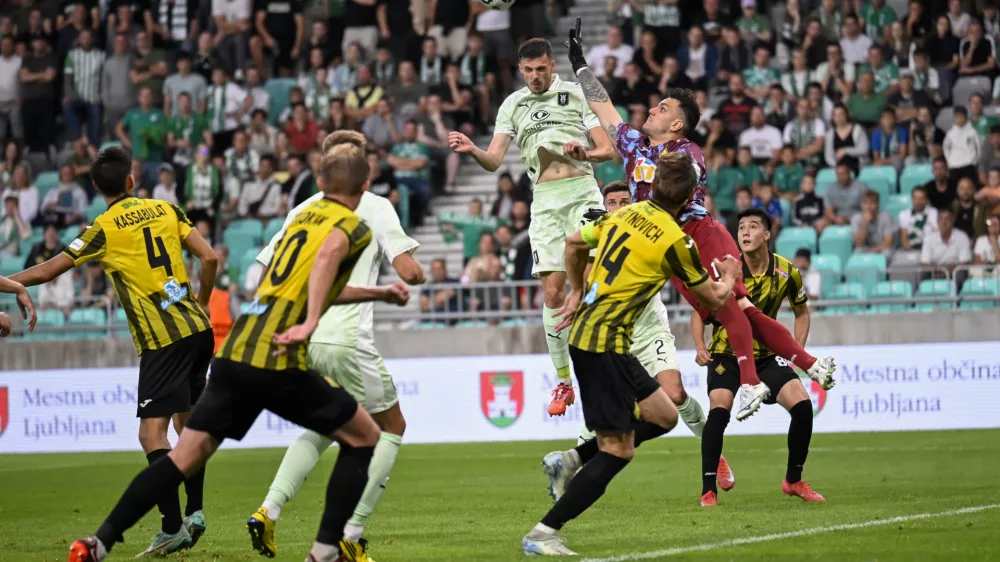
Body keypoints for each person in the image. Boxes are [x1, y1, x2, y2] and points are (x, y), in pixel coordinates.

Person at [66, 132, 410, 562]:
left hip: (235, 355)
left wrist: (377, 294)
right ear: (362, 188)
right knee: (364, 437)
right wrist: (307, 323)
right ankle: (325, 553)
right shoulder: (354, 225)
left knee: (181, 458)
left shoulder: (299, 217)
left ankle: (97, 543)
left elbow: (288, 283)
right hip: (277, 358)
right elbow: (325, 265)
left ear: (320, 181)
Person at [566, 18, 835, 421]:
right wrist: (581, 65)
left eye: (662, 108)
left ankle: (750, 383)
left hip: (694, 232)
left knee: (733, 303)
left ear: (675, 123)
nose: (652, 108)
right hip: (664, 247)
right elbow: (601, 104)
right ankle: (811, 365)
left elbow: (677, 193)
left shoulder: (686, 151)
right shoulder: (632, 143)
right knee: (739, 308)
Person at [520, 151, 742, 557]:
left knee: (664, 415)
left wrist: (575, 292)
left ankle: (571, 458)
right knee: (618, 449)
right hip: (600, 344)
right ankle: (543, 532)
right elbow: (712, 299)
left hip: (606, 339)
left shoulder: (623, 215)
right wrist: (729, 273)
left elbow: (572, 243)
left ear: (653, 186)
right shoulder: (677, 241)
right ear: (691, 196)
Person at [17, 146, 217, 557]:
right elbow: (210, 256)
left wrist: (6, 282)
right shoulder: (166, 209)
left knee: (151, 434)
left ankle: (170, 526)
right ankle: (194, 513)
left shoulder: (103, 228)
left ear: (95, 187)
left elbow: (48, 269)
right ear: (131, 179)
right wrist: (201, 300)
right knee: (187, 425)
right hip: (198, 330)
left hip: (163, 341)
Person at [246, 137, 424, 560]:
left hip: (303, 338)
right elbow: (407, 269)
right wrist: (415, 272)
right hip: (346, 339)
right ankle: (353, 532)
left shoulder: (303, 208)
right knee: (391, 427)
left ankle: (268, 509)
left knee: (333, 425)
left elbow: (267, 270)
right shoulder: (376, 205)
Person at [448, 37, 615, 418]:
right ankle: (563, 381)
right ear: (521, 71)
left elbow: (608, 150)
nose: (536, 76)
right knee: (553, 293)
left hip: (582, 191)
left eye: (542, 69)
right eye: (529, 71)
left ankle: (605, 358)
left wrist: (583, 152)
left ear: (552, 65)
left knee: (589, 282)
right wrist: (472, 149)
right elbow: (494, 160)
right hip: (545, 203)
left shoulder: (575, 94)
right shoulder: (512, 105)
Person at [692, 208, 825, 507]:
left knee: (803, 407)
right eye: (741, 228)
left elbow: (802, 312)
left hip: (766, 356)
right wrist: (700, 344)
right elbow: (699, 312)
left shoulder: (787, 271)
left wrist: (795, 354)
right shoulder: (726, 270)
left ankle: (793, 480)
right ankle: (708, 489)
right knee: (719, 411)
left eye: (753, 227)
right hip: (727, 353)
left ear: (767, 234)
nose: (745, 232)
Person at [62, 28, 105, 146]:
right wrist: (71, 95)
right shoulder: (72, 55)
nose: (85, 40)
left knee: (95, 133)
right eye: (83, 37)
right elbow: (67, 79)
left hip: (94, 98)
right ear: (79, 40)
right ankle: (79, 135)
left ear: (92, 39)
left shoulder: (101, 56)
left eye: (88, 37)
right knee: (66, 103)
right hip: (77, 98)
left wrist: (101, 95)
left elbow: (104, 79)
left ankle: (93, 149)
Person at [943, 106, 981, 186]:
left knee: (971, 186)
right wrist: (949, 161)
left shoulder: (972, 132)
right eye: (957, 117)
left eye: (961, 116)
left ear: (966, 117)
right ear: (954, 118)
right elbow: (946, 148)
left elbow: (978, 148)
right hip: (954, 166)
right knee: (955, 187)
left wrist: (975, 161)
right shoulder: (950, 134)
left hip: (969, 165)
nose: (959, 119)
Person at [851, 190, 895, 256]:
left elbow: (888, 242)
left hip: (882, 247)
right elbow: (858, 244)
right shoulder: (856, 218)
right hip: (865, 248)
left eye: (872, 203)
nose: (868, 207)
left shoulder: (886, 217)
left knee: (886, 253)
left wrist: (872, 252)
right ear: (861, 205)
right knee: (857, 252)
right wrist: (864, 223)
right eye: (865, 204)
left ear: (877, 204)